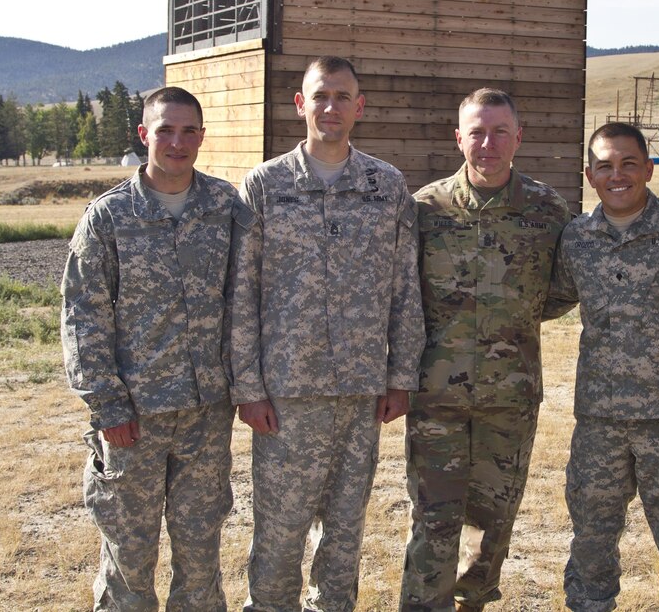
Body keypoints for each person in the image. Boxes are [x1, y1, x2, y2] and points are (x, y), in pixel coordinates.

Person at [228, 56, 425, 612]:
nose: (331, 107)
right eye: (321, 96)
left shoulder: (385, 186)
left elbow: (403, 289)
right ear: (301, 104)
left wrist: (401, 376)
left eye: (343, 97)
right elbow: (241, 294)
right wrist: (248, 387)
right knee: (279, 532)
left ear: (359, 107)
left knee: (345, 532)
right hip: (287, 394)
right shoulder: (265, 187)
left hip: (361, 391)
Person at [61, 86, 253, 611]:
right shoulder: (109, 217)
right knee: (129, 557)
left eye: (189, 130)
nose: (177, 141)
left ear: (201, 137)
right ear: (144, 135)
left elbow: (246, 297)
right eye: (165, 129)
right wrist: (106, 405)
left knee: (201, 553)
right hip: (133, 418)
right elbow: (83, 313)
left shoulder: (224, 207)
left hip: (206, 414)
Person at [400, 88, 576, 612]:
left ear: (519, 137)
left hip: (510, 397)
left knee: (493, 522)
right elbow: (403, 294)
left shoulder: (547, 210)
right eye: (476, 131)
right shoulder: (424, 210)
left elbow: (560, 289)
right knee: (433, 520)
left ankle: (472, 604)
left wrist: (509, 320)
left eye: (500, 131)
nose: (488, 143)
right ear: (459, 138)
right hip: (436, 397)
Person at [551, 123, 659, 612]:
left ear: (649, 168)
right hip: (599, 421)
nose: (617, 175)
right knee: (591, 543)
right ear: (589, 175)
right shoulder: (576, 238)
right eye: (604, 165)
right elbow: (553, 297)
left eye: (629, 163)